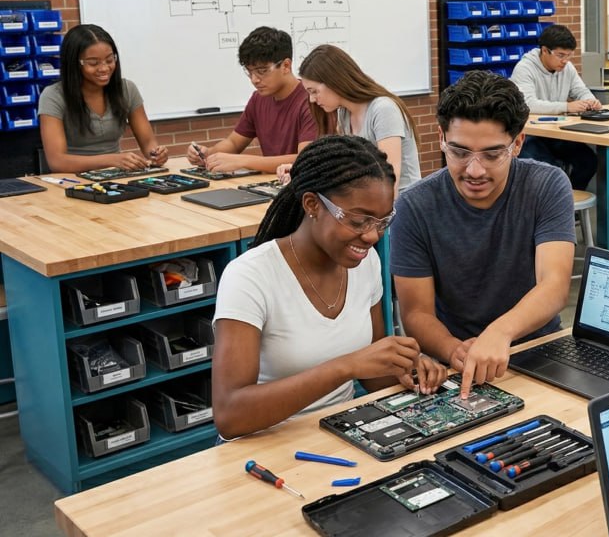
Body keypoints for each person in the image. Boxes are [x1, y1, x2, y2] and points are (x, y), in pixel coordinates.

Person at [211, 136, 446, 440]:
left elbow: (372, 373)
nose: (373, 235)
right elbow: (230, 415)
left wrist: (408, 370)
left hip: (341, 436)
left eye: (382, 221)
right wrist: (345, 367)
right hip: (262, 449)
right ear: (312, 204)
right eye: (359, 221)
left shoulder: (366, 264)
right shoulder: (250, 277)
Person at [391, 70, 575, 398]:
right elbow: (416, 312)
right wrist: (454, 350)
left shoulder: (547, 185)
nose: (474, 170)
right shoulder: (414, 206)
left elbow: (555, 285)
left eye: (492, 155)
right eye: (459, 153)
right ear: (442, 139)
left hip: (536, 348)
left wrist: (500, 333)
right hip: (455, 360)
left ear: (518, 143)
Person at [38, 24, 168, 172]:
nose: (104, 68)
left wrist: (156, 154)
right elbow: (58, 162)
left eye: (109, 60)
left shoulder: (127, 89)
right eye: (93, 63)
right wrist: (112, 159)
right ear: (74, 64)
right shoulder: (53, 96)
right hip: (71, 179)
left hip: (115, 176)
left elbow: (149, 142)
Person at [186, 27, 315, 174]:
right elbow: (234, 142)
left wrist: (242, 161)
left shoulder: (311, 100)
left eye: (262, 71)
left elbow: (305, 160)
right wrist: (208, 154)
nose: (254, 79)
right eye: (249, 71)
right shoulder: (258, 99)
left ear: (286, 65)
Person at [297, 44, 421, 194]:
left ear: (334, 81)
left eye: (314, 91)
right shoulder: (344, 114)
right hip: (372, 202)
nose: (312, 99)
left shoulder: (383, 109)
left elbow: (390, 182)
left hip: (401, 204)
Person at [510, 23, 600, 189]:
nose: (565, 61)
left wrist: (591, 101)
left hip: (556, 133)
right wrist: (567, 106)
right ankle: (554, 206)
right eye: (560, 55)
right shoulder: (524, 69)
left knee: (588, 162)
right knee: (552, 171)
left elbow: (581, 90)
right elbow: (528, 104)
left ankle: (568, 204)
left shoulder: (568, 68)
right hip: (530, 135)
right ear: (545, 50)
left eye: (568, 56)